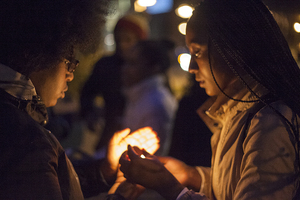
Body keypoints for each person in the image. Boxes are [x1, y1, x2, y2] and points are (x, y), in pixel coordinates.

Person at [117, 0, 300, 199]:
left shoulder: (269, 123)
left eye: (197, 52)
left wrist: (171, 189)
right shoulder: (237, 113)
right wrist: (189, 175)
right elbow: (232, 186)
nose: (191, 67)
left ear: (233, 49)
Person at [0, 1, 160, 199]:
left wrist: (105, 168)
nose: (70, 75)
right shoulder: (26, 141)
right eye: (68, 60)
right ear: (41, 53)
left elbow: (56, 181)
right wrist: (119, 196)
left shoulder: (18, 123)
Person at [80, 13, 150, 153]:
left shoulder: (149, 68)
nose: (122, 45)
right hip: (110, 134)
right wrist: (90, 113)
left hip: (142, 135)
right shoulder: (105, 65)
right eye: (118, 39)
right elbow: (87, 92)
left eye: (128, 39)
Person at [120, 39, 178, 156]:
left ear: (154, 67)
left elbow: (146, 157)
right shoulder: (139, 97)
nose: (125, 69)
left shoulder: (156, 105)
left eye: (133, 63)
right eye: (126, 62)